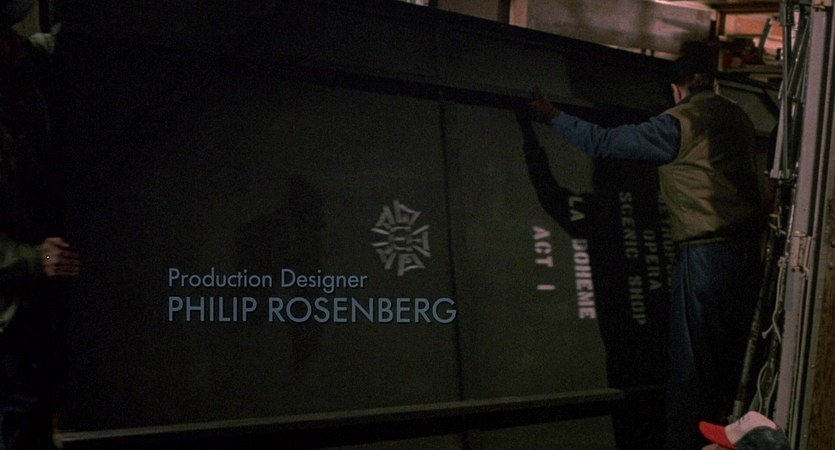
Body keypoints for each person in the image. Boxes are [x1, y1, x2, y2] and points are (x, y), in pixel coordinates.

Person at [527, 53, 764, 449]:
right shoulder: (737, 116)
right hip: (745, 254)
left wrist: (550, 116)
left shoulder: (679, 123)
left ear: (676, 89)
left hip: (703, 257)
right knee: (734, 364)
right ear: (713, 82)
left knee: (691, 374)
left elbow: (601, 142)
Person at [1, 1, 80, 448]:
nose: (13, 41)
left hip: (32, 307)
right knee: (21, 415)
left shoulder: (19, 68)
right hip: (7, 315)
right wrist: (35, 259)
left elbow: (46, 47)